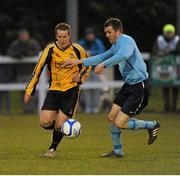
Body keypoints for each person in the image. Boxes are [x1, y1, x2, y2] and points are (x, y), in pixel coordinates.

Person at [65, 18, 160, 158]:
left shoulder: (126, 41)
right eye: (106, 32)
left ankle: (152, 125)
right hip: (128, 85)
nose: (107, 35)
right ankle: (118, 151)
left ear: (118, 31)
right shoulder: (116, 45)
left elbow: (123, 55)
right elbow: (101, 57)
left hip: (140, 86)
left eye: (109, 32)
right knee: (111, 117)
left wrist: (103, 65)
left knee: (120, 122)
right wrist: (78, 62)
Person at [24, 23, 91, 157]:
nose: (62, 39)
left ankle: (52, 149)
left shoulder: (78, 49)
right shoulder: (50, 49)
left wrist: (81, 77)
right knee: (44, 122)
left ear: (69, 36)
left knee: (60, 123)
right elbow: (38, 69)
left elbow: (88, 65)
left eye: (65, 36)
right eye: (59, 36)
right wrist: (29, 90)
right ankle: (63, 127)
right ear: (56, 36)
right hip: (54, 89)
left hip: (71, 91)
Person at [7, 29, 41, 113]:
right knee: (22, 92)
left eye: (24, 35)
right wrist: (17, 55)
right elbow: (10, 52)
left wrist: (26, 54)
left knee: (33, 92)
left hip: (31, 72)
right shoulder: (15, 44)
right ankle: (26, 110)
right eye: (21, 36)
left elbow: (38, 52)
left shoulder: (33, 43)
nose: (22, 37)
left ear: (28, 36)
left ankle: (32, 109)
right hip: (20, 72)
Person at [152, 24, 180, 112]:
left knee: (175, 87)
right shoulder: (160, 40)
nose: (169, 34)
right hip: (163, 67)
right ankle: (166, 107)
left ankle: (174, 107)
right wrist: (161, 52)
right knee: (165, 87)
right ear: (164, 33)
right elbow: (155, 50)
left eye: (171, 32)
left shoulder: (177, 40)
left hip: (175, 67)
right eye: (168, 33)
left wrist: (171, 51)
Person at [78, 28, 106, 113]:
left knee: (96, 89)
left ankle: (95, 108)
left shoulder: (97, 42)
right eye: (88, 34)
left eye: (91, 34)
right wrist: (88, 54)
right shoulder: (82, 42)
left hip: (96, 69)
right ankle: (88, 108)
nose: (90, 36)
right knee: (87, 90)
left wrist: (90, 53)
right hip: (85, 70)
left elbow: (102, 52)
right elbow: (78, 52)